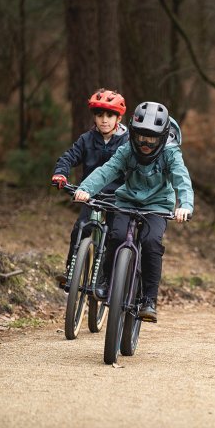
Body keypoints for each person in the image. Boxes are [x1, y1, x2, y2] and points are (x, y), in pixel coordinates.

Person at [72, 101, 193, 323]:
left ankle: (149, 300)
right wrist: (85, 190)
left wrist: (185, 205)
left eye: (152, 138)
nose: (146, 143)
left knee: (151, 243)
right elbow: (107, 170)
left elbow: (181, 179)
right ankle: (106, 280)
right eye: (141, 137)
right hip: (126, 201)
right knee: (116, 236)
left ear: (163, 136)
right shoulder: (127, 148)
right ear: (133, 133)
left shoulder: (171, 153)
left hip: (157, 205)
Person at [51, 89, 129, 286]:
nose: (104, 120)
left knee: (114, 235)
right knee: (80, 228)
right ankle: (71, 270)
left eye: (110, 115)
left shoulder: (128, 142)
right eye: (100, 115)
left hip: (117, 197)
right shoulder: (87, 139)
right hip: (90, 194)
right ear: (94, 116)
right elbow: (69, 157)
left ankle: (105, 279)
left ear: (118, 117)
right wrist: (61, 172)